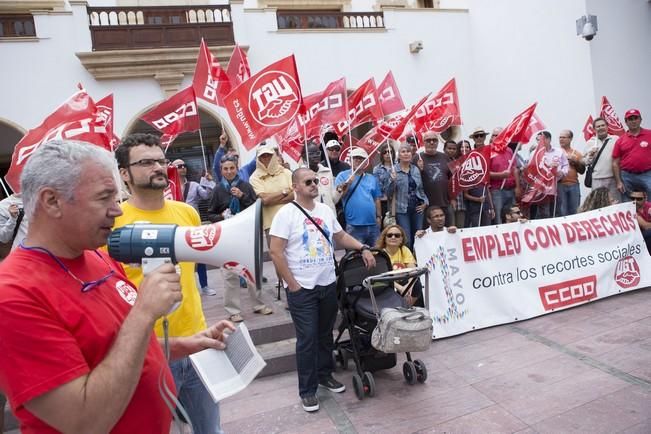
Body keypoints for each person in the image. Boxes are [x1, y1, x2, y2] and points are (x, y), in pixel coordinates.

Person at [0, 140, 233, 433]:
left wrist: (187, 345)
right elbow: (83, 422)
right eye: (104, 198)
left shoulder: (94, 255)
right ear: (52, 201)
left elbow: (117, 348)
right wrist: (144, 313)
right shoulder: (12, 296)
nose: (118, 210)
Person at [113, 133, 228, 434]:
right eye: (146, 162)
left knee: (210, 429)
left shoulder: (186, 212)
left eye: (161, 161)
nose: (158, 167)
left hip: (197, 342)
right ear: (124, 173)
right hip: (148, 352)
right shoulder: (113, 223)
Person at [269, 167, 376, 413]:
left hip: (327, 283)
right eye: (308, 182)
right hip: (302, 288)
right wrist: (292, 284)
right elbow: (276, 251)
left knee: (326, 333)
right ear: (295, 186)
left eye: (316, 181)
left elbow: (339, 237)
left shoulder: (326, 210)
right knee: (307, 339)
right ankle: (307, 390)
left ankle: (325, 374)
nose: (314, 185)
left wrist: (362, 248)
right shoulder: (285, 214)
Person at [207, 154, 272, 322]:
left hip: (246, 235)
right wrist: (221, 216)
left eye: (232, 168)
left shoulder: (246, 186)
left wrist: (242, 196)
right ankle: (233, 310)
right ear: (220, 171)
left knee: (252, 272)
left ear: (237, 168)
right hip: (226, 236)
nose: (229, 171)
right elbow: (210, 214)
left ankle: (258, 304)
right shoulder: (217, 190)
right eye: (225, 169)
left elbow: (256, 208)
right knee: (229, 275)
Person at [172, 158, 216, 296]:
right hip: (176, 227)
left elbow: (207, 195)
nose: (183, 168)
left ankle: (204, 286)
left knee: (200, 256)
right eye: (179, 166)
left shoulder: (194, 185)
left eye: (184, 165)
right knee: (180, 259)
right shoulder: (168, 187)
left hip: (193, 225)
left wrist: (208, 181)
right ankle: (185, 288)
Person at [335, 147, 382, 246]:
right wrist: (348, 183)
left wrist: (379, 217)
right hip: (353, 225)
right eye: (355, 158)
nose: (358, 160)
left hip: (373, 224)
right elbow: (338, 197)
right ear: (350, 161)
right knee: (355, 257)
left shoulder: (371, 178)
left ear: (365, 162)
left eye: (361, 158)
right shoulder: (342, 176)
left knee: (376, 254)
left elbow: (376, 199)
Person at [387, 144, 428, 249]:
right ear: (399, 155)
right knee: (407, 239)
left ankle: (419, 260)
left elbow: (421, 189)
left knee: (419, 237)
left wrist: (425, 203)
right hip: (402, 210)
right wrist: (392, 181)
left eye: (408, 151)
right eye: (403, 151)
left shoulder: (415, 169)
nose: (406, 153)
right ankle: (409, 262)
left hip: (418, 209)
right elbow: (388, 193)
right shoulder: (393, 170)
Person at [376, 224, 423, 307]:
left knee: (417, 285)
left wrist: (409, 287)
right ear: (385, 239)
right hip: (387, 284)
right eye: (389, 235)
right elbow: (382, 278)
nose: (393, 237)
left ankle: (406, 308)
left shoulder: (404, 249)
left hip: (403, 282)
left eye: (397, 235)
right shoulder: (380, 254)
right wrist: (401, 289)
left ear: (401, 239)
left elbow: (412, 270)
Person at [528, 131, 569, 219]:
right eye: (537, 140)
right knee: (544, 211)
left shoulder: (559, 151)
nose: (539, 142)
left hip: (557, 183)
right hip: (542, 185)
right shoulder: (534, 154)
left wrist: (562, 172)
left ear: (548, 139)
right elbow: (531, 170)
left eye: (541, 140)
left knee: (558, 208)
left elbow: (565, 165)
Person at [612, 109, 651, 200]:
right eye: (630, 119)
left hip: (647, 174)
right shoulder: (620, 140)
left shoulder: (650, 134)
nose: (633, 121)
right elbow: (615, 163)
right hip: (627, 176)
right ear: (626, 122)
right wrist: (618, 182)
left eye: (635, 118)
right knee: (627, 204)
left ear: (640, 120)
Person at [418, 131, 454, 226]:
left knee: (448, 232)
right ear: (423, 142)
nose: (432, 142)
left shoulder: (445, 157)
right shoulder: (417, 158)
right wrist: (419, 170)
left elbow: (452, 180)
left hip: (445, 203)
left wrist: (453, 198)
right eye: (428, 140)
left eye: (434, 140)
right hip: (427, 206)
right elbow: (413, 183)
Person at [583, 117, 619, 199]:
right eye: (598, 126)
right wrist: (590, 155)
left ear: (607, 126)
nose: (601, 128)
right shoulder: (590, 143)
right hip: (597, 179)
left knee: (615, 203)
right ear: (594, 129)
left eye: (603, 125)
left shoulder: (616, 139)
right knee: (598, 205)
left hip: (613, 178)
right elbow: (585, 162)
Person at [466, 127, 495, 226]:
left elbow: (487, 189)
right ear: (473, 138)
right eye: (476, 136)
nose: (479, 138)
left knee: (488, 226)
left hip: (486, 201)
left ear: (484, 137)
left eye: (481, 135)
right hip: (474, 206)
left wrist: (491, 207)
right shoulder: (470, 155)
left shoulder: (490, 151)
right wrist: (478, 200)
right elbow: (466, 194)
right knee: (476, 226)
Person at [489, 134, 521, 224]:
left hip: (511, 189)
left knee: (513, 216)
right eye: (494, 135)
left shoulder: (509, 150)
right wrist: (501, 175)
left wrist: (517, 187)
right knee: (498, 217)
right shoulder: (488, 151)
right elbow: (486, 173)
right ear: (491, 138)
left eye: (500, 135)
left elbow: (514, 169)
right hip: (497, 191)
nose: (497, 137)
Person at [302, 142, 341, 213]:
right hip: (311, 217)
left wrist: (339, 190)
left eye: (317, 153)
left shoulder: (327, 172)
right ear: (304, 156)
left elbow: (333, 200)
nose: (315, 156)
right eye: (311, 154)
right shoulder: (300, 175)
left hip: (329, 215)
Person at [557, 130, 584, 216]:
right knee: (561, 212)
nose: (561, 139)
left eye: (564, 137)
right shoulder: (555, 152)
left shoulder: (577, 153)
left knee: (574, 211)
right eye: (560, 137)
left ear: (570, 139)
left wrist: (576, 162)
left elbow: (582, 171)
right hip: (559, 185)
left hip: (574, 185)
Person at [373, 143, 397, 226]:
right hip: (383, 202)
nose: (387, 154)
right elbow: (378, 187)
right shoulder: (377, 169)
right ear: (382, 154)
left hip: (397, 202)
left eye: (390, 152)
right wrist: (391, 180)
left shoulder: (397, 166)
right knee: (385, 228)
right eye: (385, 152)